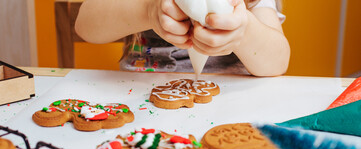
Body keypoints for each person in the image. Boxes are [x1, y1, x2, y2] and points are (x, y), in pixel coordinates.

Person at [75, 0, 290, 76]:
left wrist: (245, 33)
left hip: (230, 106)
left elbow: (278, 62)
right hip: (138, 99)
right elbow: (85, 26)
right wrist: (147, 10)